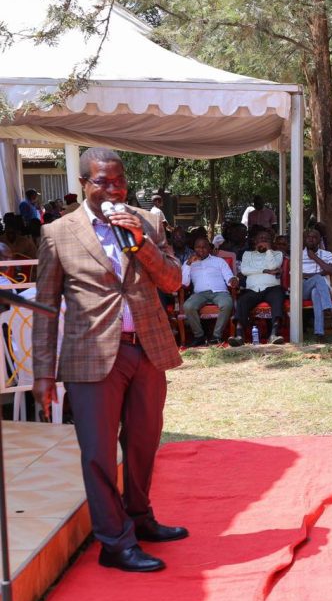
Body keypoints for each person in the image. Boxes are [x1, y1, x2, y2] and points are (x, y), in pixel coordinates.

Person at [32, 147, 186, 573]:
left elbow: (172, 281)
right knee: (98, 453)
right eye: (102, 181)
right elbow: (45, 310)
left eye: (119, 181)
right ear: (83, 183)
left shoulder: (148, 221)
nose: (113, 189)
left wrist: (142, 243)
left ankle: (139, 518)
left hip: (147, 350)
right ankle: (114, 542)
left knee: (142, 443)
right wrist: (42, 374)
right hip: (91, 357)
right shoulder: (58, 234)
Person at [230, 230, 286, 346]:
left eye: (267, 239)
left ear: (271, 242)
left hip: (272, 287)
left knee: (278, 296)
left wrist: (269, 250)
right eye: (261, 239)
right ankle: (239, 336)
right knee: (242, 301)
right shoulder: (247, 254)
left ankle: (274, 334)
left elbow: (273, 266)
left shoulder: (277, 254)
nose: (263, 241)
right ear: (255, 241)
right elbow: (245, 270)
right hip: (252, 289)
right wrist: (264, 271)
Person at [182, 237, 238, 346]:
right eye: (198, 247)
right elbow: (185, 283)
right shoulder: (188, 263)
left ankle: (216, 336)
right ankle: (199, 336)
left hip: (219, 292)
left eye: (204, 247)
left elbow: (229, 278)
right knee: (188, 306)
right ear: (194, 249)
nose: (201, 250)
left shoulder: (219, 261)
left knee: (227, 303)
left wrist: (233, 281)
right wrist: (188, 264)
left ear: (209, 248)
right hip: (199, 293)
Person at [302, 228, 332, 341]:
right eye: (308, 237)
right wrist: (320, 273)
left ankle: (319, 334)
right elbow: (296, 274)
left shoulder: (327, 254)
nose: (311, 240)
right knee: (318, 278)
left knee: (316, 292)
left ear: (319, 240)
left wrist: (315, 258)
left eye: (314, 237)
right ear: (304, 239)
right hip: (303, 290)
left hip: (322, 290)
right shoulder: (298, 255)